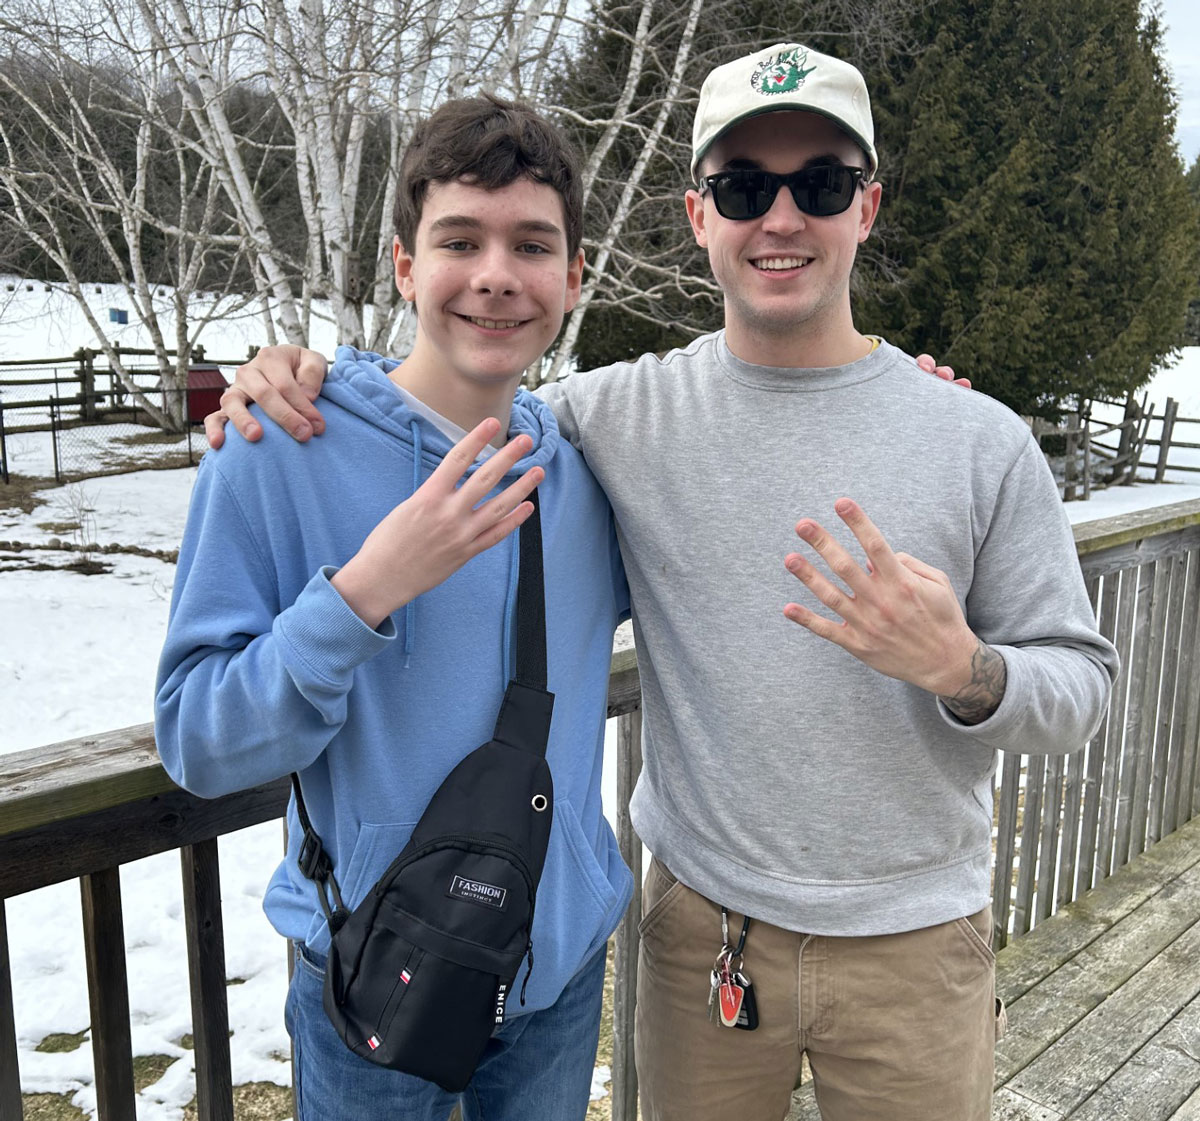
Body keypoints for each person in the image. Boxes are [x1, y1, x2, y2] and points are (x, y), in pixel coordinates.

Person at [203, 43, 1119, 1121]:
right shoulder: (611, 422)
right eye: (743, 187)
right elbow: (443, 391)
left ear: (866, 207)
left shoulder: (976, 440)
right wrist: (292, 369)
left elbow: (1084, 691)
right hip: (698, 943)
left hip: (915, 948)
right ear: (699, 215)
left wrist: (965, 667)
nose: (781, 218)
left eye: (819, 184)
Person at [154, 95, 634, 1121]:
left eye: (532, 244)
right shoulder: (277, 450)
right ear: (405, 266)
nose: (496, 274)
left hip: (554, 984)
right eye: (460, 239)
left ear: (574, 277)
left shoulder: (592, 473)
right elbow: (197, 740)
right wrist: (368, 587)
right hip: (373, 988)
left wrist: (884, 384)